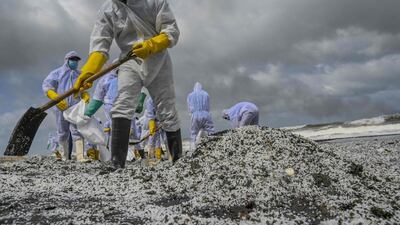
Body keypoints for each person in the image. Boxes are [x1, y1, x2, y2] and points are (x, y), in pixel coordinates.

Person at [74, 0, 182, 168]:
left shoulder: (154, 2)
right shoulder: (108, 9)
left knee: (167, 109)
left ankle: (177, 161)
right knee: (122, 104)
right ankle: (117, 163)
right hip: (129, 60)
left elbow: (171, 31)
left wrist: (152, 45)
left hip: (158, 59)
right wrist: (88, 71)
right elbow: (100, 46)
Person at [84, 59, 147, 161]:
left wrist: (140, 101)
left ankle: (140, 155)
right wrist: (89, 112)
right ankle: (122, 157)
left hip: (127, 106)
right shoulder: (106, 80)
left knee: (132, 131)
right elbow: (98, 97)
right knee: (117, 130)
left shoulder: (131, 78)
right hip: (111, 107)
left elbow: (142, 87)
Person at [42, 51, 91, 162]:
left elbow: (82, 88)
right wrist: (55, 97)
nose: (75, 62)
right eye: (72, 59)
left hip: (75, 107)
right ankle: (64, 157)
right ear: (67, 60)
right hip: (61, 107)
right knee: (62, 132)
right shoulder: (57, 73)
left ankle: (80, 157)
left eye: (76, 60)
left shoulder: (80, 74)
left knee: (77, 130)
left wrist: (85, 94)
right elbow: (47, 85)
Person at [187, 82, 215, 150]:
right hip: (206, 114)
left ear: (194, 88)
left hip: (195, 115)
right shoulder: (206, 94)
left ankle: (193, 148)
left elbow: (189, 107)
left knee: (193, 132)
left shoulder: (190, 95)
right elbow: (208, 106)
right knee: (210, 131)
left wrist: (191, 113)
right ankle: (212, 146)